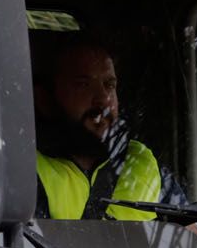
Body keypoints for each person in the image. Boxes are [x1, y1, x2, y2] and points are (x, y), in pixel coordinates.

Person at [31, 31, 179, 221]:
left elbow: (191, 233)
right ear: (44, 99)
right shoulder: (28, 170)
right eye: (83, 85)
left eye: (109, 85)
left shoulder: (142, 164)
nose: (103, 99)